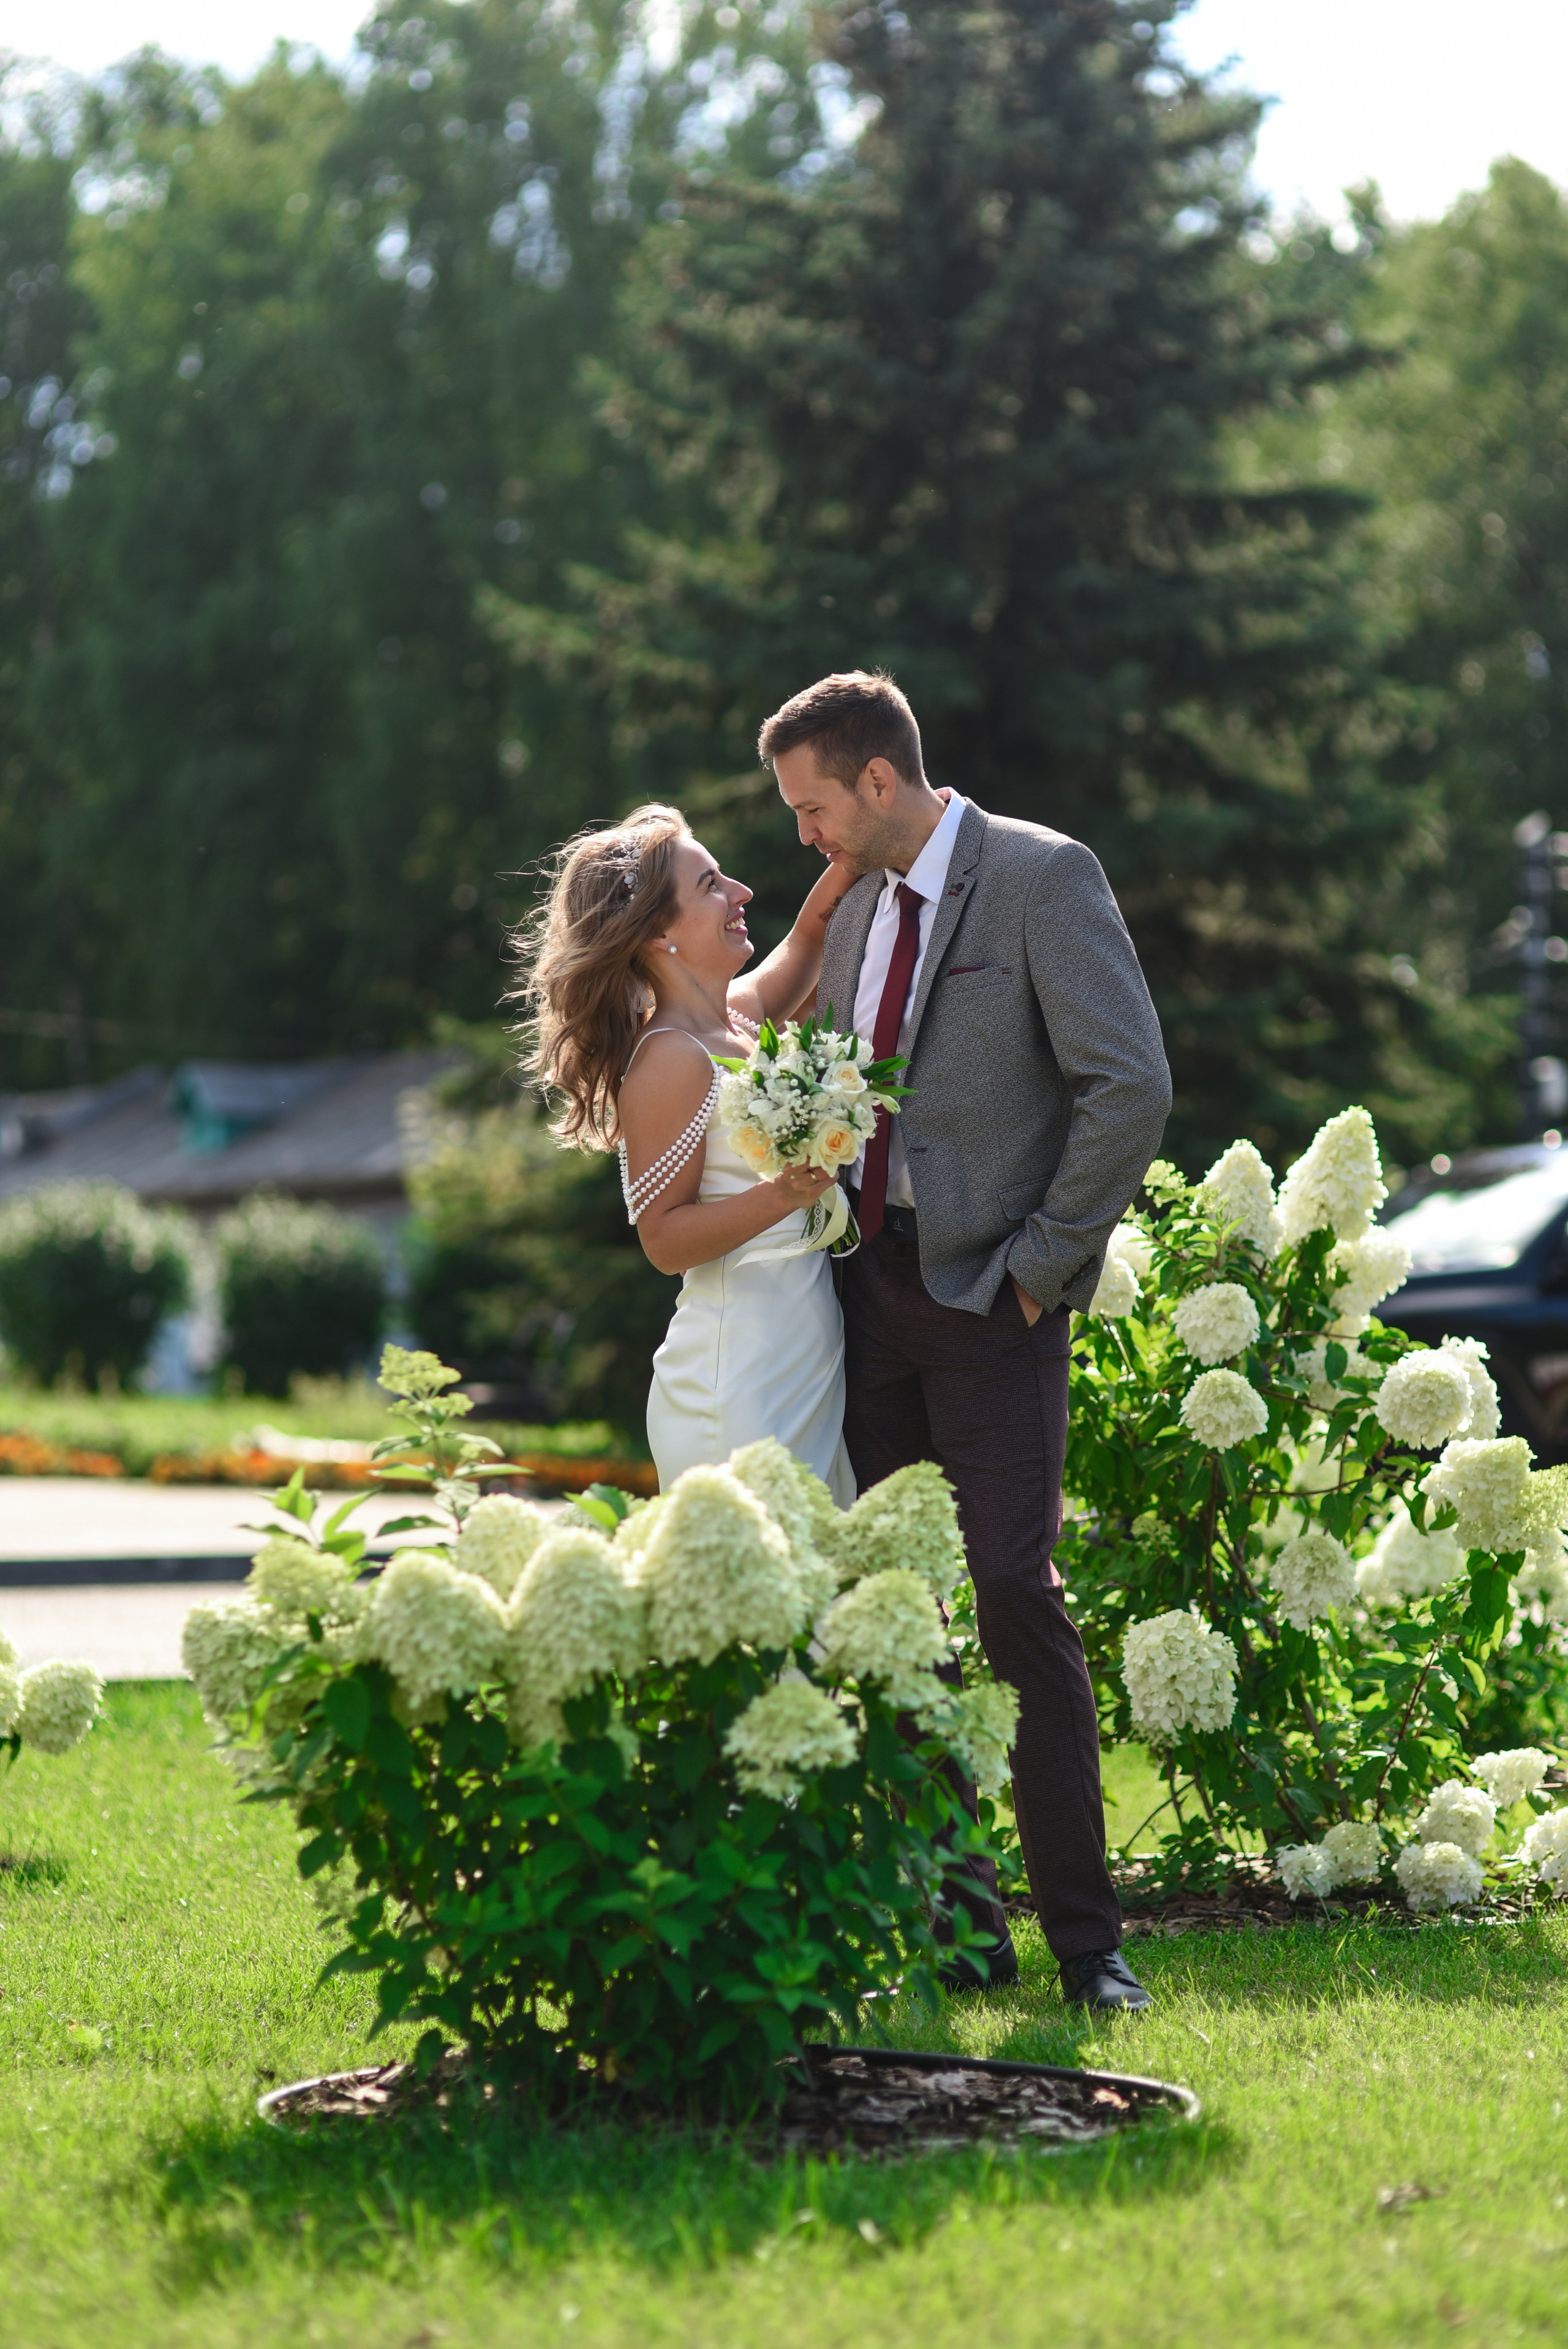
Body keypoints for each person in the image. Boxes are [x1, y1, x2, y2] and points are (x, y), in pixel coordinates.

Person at [760, 670, 1173, 2015]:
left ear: (877, 781)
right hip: (861, 1294)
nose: (804, 835)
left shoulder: (1042, 879)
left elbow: (1129, 1084)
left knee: (1010, 1592)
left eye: (813, 806)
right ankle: (957, 1926)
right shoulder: (859, 903)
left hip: (993, 1304)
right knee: (906, 1611)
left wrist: (1043, 1270)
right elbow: (819, 1076)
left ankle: (1086, 1944)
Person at [521, 801, 859, 1502]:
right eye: (710, 886)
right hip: (737, 1376)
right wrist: (782, 1194)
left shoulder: (736, 1019)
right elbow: (664, 1240)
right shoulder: (672, 1057)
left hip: (801, 1355)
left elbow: (806, 941)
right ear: (656, 935)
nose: (741, 893)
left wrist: (865, 847)